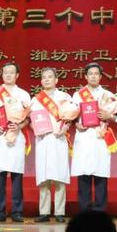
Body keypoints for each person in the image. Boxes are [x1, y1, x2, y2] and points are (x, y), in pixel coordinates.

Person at [0, 62, 31, 222]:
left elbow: (28, 118)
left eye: (11, 72)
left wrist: (20, 125)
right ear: (2, 74)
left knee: (17, 173)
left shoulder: (23, 94)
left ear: (17, 75)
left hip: (16, 135)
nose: (8, 75)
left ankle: (17, 211)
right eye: (5, 72)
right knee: (0, 174)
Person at [71, 62, 117, 212]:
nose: (93, 76)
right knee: (84, 174)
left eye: (96, 74)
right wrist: (76, 124)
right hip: (84, 136)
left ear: (100, 76)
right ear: (85, 76)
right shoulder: (78, 95)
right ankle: (84, 210)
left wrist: (109, 116)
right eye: (90, 74)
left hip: (101, 137)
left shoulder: (108, 95)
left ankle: (100, 210)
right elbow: (72, 115)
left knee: (100, 173)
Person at [31, 67, 72, 223]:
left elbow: (70, 117)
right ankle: (44, 212)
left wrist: (65, 128)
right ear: (41, 81)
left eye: (50, 77)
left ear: (56, 80)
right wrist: (35, 128)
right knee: (44, 177)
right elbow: (31, 120)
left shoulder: (64, 97)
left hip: (59, 139)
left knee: (60, 177)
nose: (47, 79)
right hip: (43, 140)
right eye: (44, 77)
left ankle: (60, 212)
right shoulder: (36, 100)